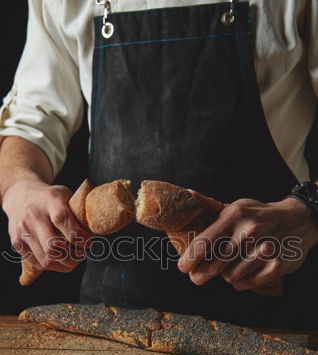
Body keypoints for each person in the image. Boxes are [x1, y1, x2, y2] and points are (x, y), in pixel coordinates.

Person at [0, 0, 318, 329]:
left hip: (273, 318)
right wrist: (19, 185)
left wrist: (308, 210)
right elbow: (30, 120)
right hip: (114, 321)